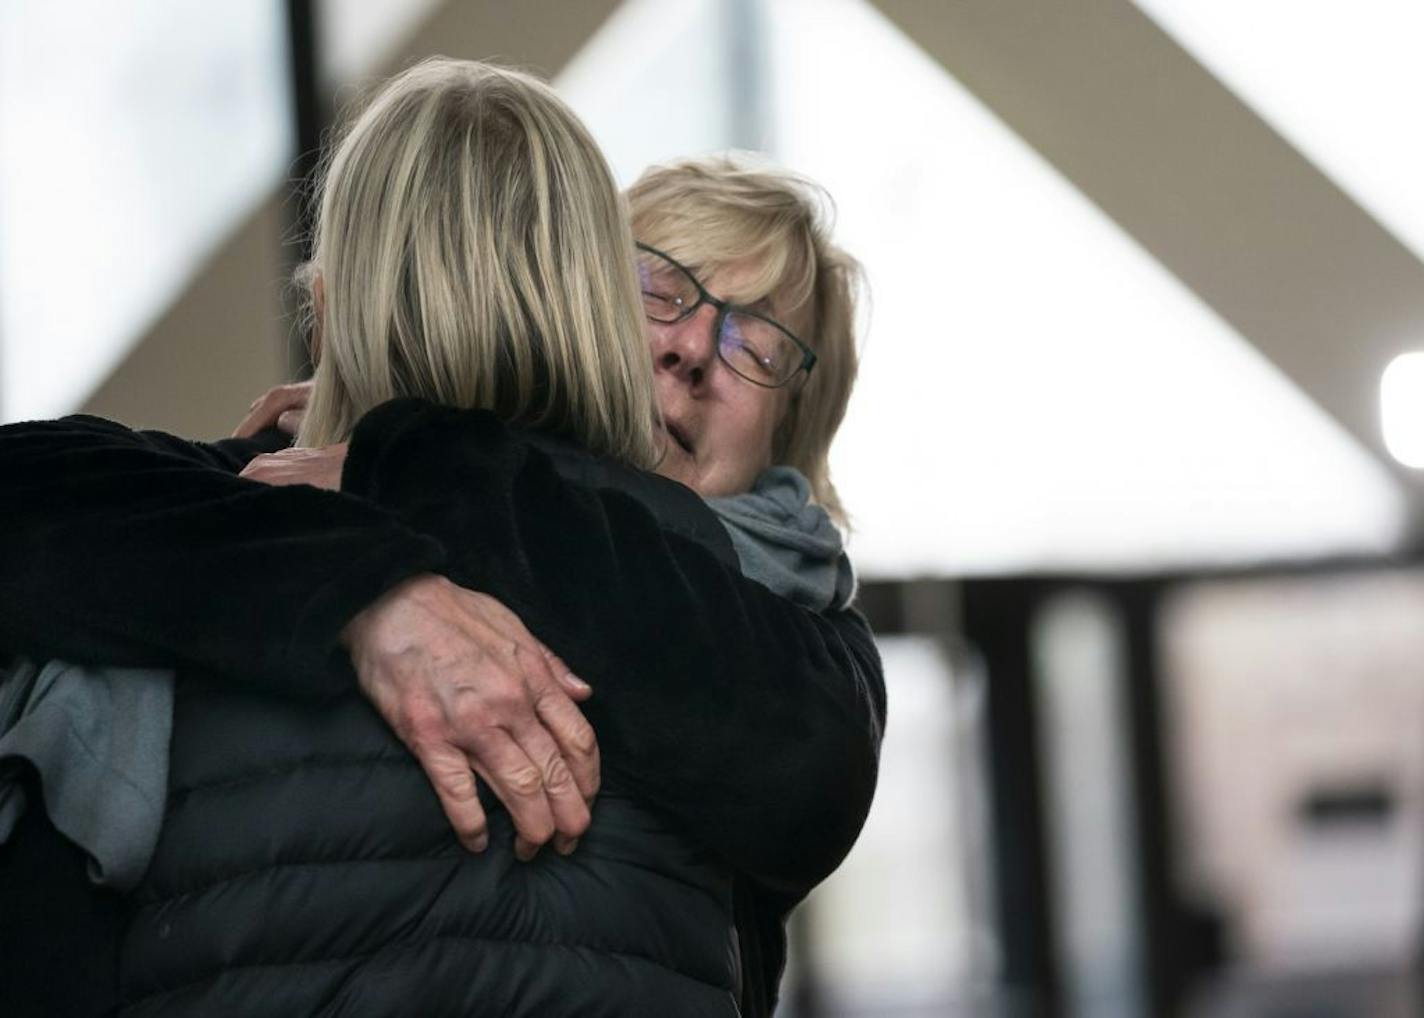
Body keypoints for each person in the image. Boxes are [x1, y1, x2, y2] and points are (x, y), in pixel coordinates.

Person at [0, 62, 883, 1018]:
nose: (694, 348)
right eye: (661, 287)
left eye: (760, 344)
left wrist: (397, 458)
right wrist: (366, 586)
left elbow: (804, 753)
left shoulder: (774, 634)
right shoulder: (254, 490)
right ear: (573, 299)